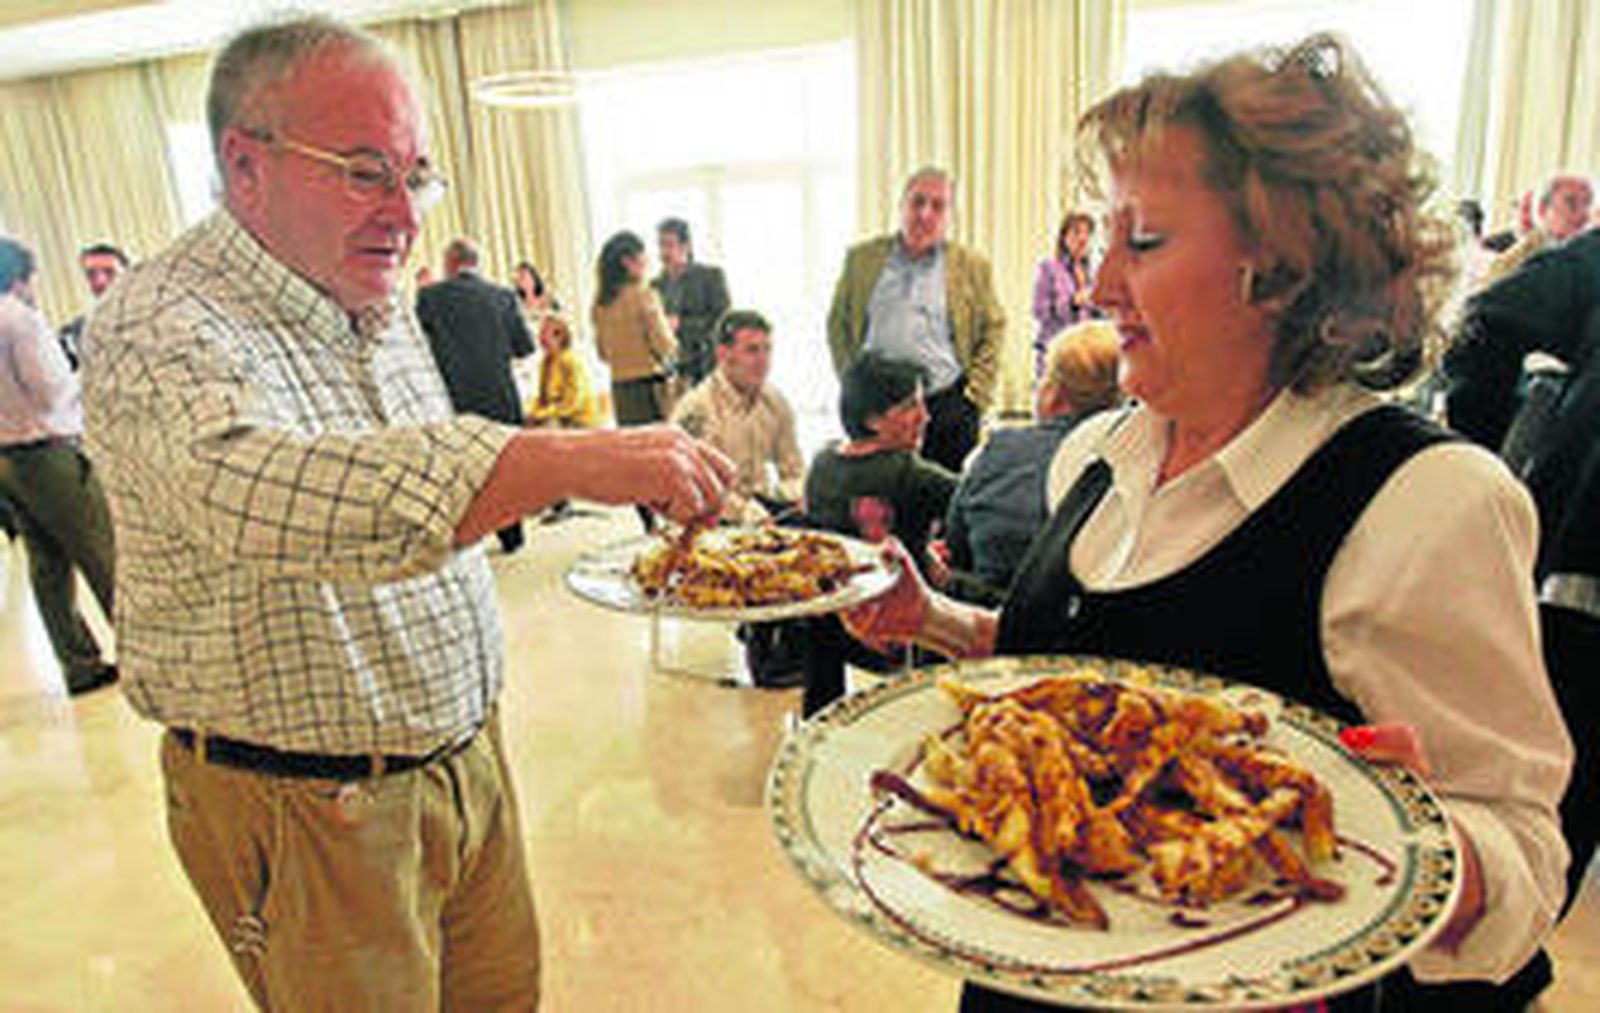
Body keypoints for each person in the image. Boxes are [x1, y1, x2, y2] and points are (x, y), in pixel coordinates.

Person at [842, 34, 1571, 1012]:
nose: (1098, 287)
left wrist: (1407, 841)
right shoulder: (1100, 453)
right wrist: (931, 616)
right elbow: (1090, 678)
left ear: (1281, 266)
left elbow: (1527, 854)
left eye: (1141, 241)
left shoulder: (1423, 502)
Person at [80, 16, 733, 1010]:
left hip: (465, 760)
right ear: (243, 164)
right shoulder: (160, 319)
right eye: (362, 171)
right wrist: (560, 458)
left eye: (415, 176)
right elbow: (262, 493)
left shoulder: (378, 301)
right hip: (311, 804)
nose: (403, 211)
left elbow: (411, 504)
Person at [1445, 224, 1600, 917]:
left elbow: (1493, 316)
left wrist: (1486, 437)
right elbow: (1493, 317)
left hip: (1580, 568)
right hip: (1579, 572)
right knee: (1555, 785)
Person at [800, 352, 957, 716]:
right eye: (910, 407)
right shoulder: (910, 473)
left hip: (830, 624)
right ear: (873, 419)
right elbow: (971, 503)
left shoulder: (822, 462)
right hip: (900, 628)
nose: (926, 417)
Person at [827, 167, 1006, 472]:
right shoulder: (862, 259)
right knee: (879, 504)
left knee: (944, 501)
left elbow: (993, 328)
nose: (925, 214)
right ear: (901, 206)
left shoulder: (972, 266)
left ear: (950, 215)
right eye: (917, 202)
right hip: (878, 412)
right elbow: (838, 324)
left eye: (938, 206)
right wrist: (852, 382)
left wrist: (975, 396)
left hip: (946, 405)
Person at [0, 235, 117, 696]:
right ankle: (154, 659)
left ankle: (79, 665)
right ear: (20, 276)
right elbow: (53, 390)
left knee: (47, 565)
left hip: (7, 461)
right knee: (102, 553)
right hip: (49, 453)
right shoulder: (20, 320)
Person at [939, 321, 1120, 604]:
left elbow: (954, 550)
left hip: (987, 621)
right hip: (1086, 633)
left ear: (1055, 394)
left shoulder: (996, 450)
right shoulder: (1133, 462)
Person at [417, 236, 536, 554]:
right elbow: (525, 347)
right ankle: (513, 536)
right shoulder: (503, 296)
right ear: (476, 263)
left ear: (449, 264)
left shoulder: (428, 298)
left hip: (453, 399)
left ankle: (469, 538)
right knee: (505, 467)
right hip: (500, 395)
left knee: (463, 471)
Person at [670, 309, 804, 525]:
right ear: (724, 354)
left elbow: (793, 469)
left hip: (762, 508)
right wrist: (742, 512)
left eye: (767, 349)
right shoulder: (696, 409)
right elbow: (692, 487)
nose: (763, 360)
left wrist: (795, 493)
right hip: (712, 516)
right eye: (752, 350)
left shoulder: (775, 401)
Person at [593, 230, 679, 530]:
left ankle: (648, 523)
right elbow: (666, 346)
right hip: (650, 388)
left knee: (636, 461)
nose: (648, 261)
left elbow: (602, 353)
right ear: (628, 262)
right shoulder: (645, 295)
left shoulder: (601, 303)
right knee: (664, 457)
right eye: (643, 256)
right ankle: (672, 521)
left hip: (620, 389)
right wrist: (670, 328)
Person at [652, 218, 730, 388]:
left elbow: (724, 321)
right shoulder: (654, 287)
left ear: (685, 246)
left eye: (669, 245)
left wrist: (682, 324)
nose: (664, 252)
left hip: (706, 367)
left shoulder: (711, 277)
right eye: (661, 245)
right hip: (671, 373)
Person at [1482, 173, 1594, 285]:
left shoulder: (1591, 255)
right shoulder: (1513, 262)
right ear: (1543, 209)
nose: (1582, 214)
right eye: (1570, 202)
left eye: (1587, 203)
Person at [1031, 211, 1101, 376]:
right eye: (1076, 232)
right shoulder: (1049, 269)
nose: (1082, 238)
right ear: (1064, 237)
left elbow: (1100, 317)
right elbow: (1039, 311)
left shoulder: (1095, 273)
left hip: (1087, 357)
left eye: (1087, 233)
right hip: (1056, 356)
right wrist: (1072, 303)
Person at [58, 242, 129, 370]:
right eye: (92, 274)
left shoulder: (161, 317)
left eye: (109, 272)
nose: (100, 281)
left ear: (128, 274)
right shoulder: (76, 333)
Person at [526, 315, 599, 430]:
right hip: (558, 416)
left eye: (544, 333)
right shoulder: (546, 362)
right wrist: (533, 413)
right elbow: (542, 398)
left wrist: (545, 414)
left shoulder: (569, 361)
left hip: (577, 420)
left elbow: (574, 402)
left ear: (559, 336)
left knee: (547, 428)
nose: (540, 338)